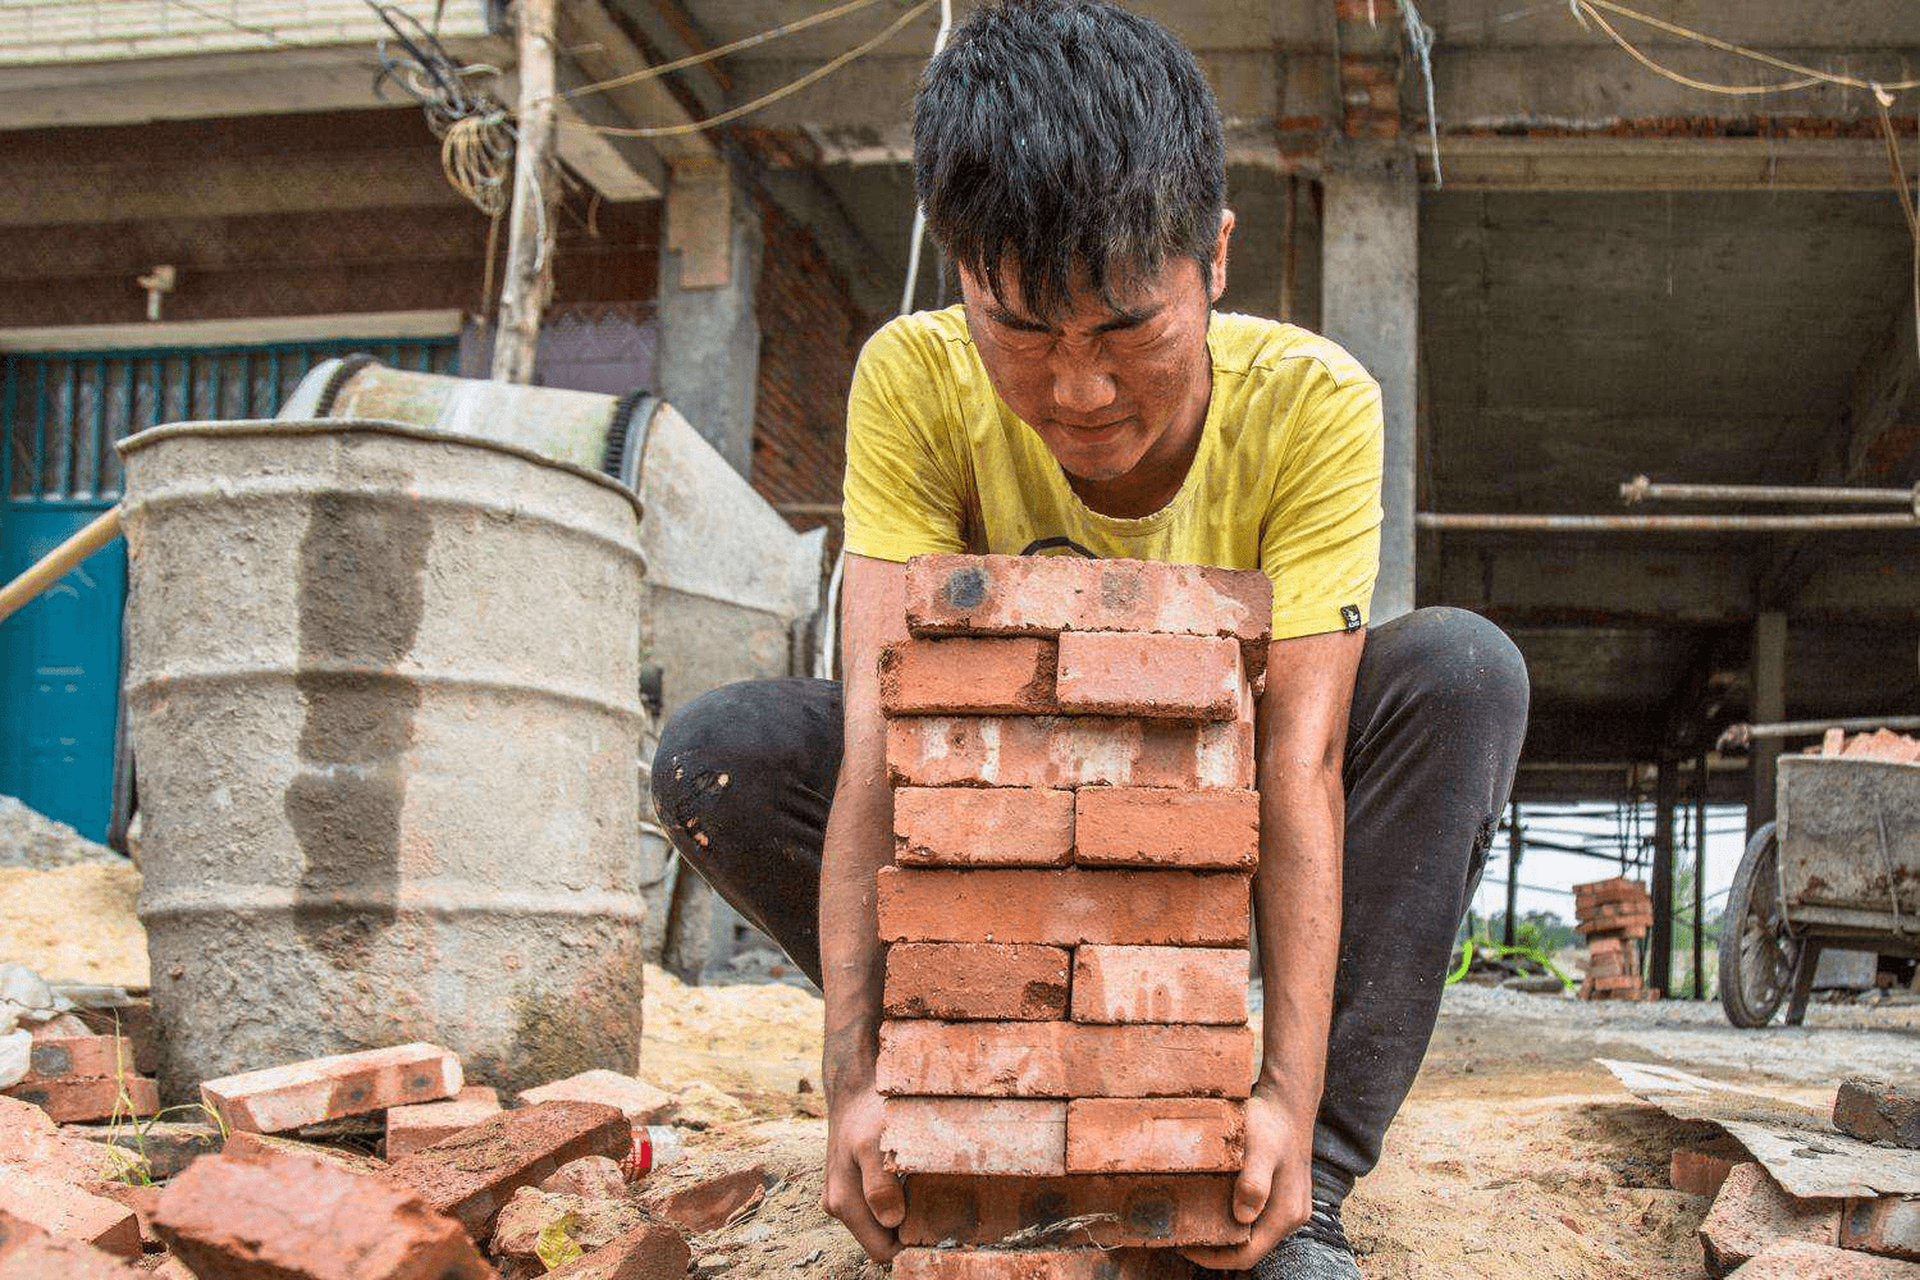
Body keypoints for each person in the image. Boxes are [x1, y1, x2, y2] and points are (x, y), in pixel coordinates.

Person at [652, 2, 1529, 1275]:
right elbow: (879, 747)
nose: (1078, 391)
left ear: (1214, 257)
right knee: (725, 752)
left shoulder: (1315, 404)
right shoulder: (913, 380)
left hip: (1231, 812)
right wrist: (852, 1082)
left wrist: (1287, 1096)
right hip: (997, 822)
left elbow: (1304, 760)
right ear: (963, 278)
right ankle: (966, 1088)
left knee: (1461, 672)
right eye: (1020, 330)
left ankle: (1304, 1184)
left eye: (1127, 329)